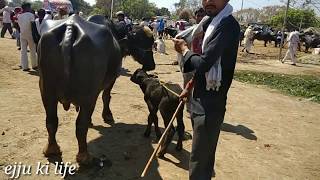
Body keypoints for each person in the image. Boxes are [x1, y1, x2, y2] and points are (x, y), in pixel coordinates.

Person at [173, 0, 240, 179]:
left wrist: (184, 50)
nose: (209, 1)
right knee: (203, 154)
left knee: (199, 159)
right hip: (199, 96)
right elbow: (205, 62)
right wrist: (189, 85)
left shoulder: (227, 25)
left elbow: (204, 63)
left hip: (210, 103)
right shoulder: (210, 22)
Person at [18, 2, 37, 71]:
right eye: (29, 7)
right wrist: (36, 35)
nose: (30, 8)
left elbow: (18, 25)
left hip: (22, 34)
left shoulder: (19, 16)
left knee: (23, 51)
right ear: (27, 7)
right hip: (30, 34)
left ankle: (25, 67)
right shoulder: (31, 15)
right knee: (32, 50)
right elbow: (33, 25)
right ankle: (34, 65)